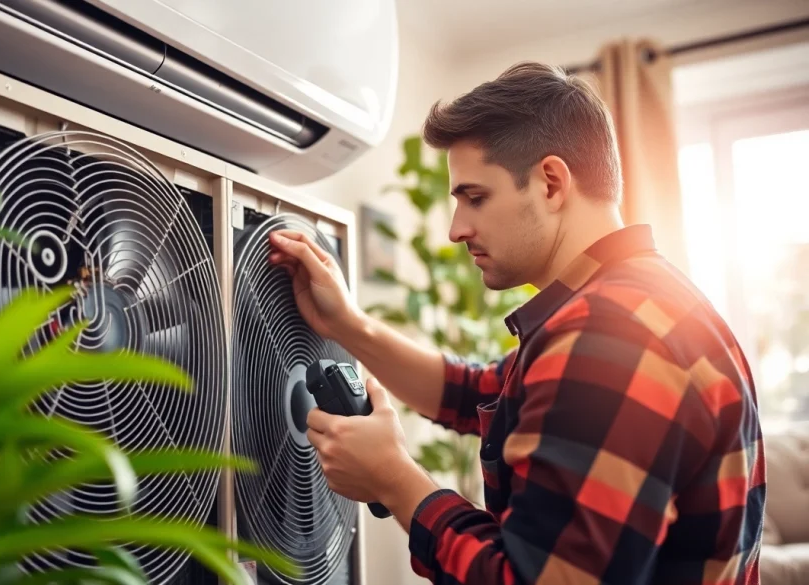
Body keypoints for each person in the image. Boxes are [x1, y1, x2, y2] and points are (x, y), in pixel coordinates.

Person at [267, 61, 765, 585]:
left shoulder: (608, 337)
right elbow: (476, 390)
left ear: (550, 183)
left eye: (475, 198)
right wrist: (347, 324)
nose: (457, 229)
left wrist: (394, 480)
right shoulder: (641, 301)